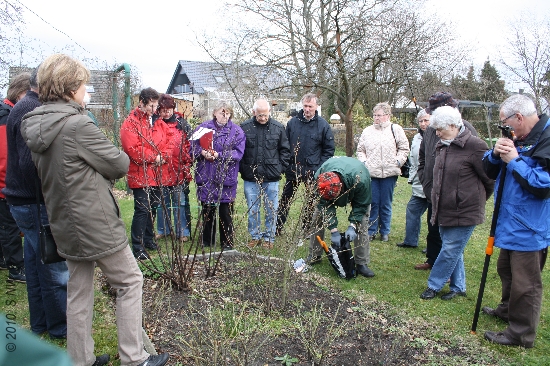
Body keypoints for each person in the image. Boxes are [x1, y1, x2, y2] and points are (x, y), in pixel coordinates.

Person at [21, 54, 169, 366]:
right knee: (130, 282)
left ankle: (81, 359)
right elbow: (118, 164)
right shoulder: (75, 126)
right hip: (94, 221)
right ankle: (134, 357)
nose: (87, 90)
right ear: (69, 88)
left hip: (64, 221)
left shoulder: (35, 125)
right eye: (84, 85)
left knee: (78, 290)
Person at [3, 66, 69, 340]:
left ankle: (42, 323)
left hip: (23, 201)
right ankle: (61, 328)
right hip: (35, 202)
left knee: (35, 265)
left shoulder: (24, 106)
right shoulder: (32, 111)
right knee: (55, 268)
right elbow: (30, 164)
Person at [482, 94, 549, 348]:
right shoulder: (518, 137)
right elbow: (489, 170)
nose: (506, 130)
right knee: (506, 270)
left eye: (506, 124)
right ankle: (508, 311)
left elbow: (543, 186)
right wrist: (495, 154)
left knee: (526, 284)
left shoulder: (547, 139)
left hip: (530, 226)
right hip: (509, 221)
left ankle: (520, 335)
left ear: (519, 118)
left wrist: (515, 161)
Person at [419, 106, 494, 300]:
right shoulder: (442, 144)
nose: (436, 133)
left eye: (440, 129)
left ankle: (434, 285)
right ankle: (459, 286)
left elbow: (489, 179)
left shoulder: (476, 146)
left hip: (466, 210)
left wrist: (472, 201)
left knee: (451, 248)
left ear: (453, 126)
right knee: (453, 248)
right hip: (443, 207)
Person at [415, 92, 478, 270]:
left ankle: (450, 270)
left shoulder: (465, 129)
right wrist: (425, 180)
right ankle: (432, 260)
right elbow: (423, 157)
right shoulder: (429, 131)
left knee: (451, 236)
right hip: (432, 190)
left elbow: (479, 166)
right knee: (433, 229)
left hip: (453, 194)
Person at [276, 93, 335, 236]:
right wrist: (286, 164)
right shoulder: (292, 123)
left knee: (311, 201)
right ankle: (277, 227)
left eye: (310, 106)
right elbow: (284, 145)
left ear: (316, 107)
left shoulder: (323, 125)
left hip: (313, 170)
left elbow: (329, 150)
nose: (307, 109)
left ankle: (306, 229)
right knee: (285, 199)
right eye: (305, 106)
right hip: (293, 168)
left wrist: (319, 168)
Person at [306, 156, 375, 277]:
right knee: (317, 219)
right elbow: (324, 205)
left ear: (341, 186)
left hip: (358, 187)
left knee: (362, 223)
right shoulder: (320, 180)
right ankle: (314, 255)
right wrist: (334, 231)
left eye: (334, 197)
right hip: (330, 184)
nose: (333, 200)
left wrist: (352, 225)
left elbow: (362, 205)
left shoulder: (361, 180)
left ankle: (361, 263)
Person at [121, 87, 168, 260]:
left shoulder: (153, 120)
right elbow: (132, 149)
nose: (154, 110)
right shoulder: (131, 123)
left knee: (153, 207)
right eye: (151, 106)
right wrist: (154, 157)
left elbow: (163, 140)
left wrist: (162, 155)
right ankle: (138, 246)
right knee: (142, 209)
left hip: (155, 172)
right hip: (139, 172)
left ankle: (148, 239)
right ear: (142, 103)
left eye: (156, 106)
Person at [190, 102, 245, 250]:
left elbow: (238, 153)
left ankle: (227, 243)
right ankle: (208, 240)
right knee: (208, 210)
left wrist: (219, 155)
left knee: (225, 212)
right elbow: (192, 147)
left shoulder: (237, 131)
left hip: (226, 177)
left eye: (227, 113)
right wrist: (202, 152)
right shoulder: (203, 128)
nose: (224, 116)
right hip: (206, 174)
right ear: (214, 112)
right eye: (222, 112)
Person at [240, 99, 290, 249]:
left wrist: (280, 168)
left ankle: (269, 237)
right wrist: (244, 169)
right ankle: (255, 236)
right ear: (254, 112)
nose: (262, 118)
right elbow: (240, 151)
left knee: (271, 209)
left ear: (269, 112)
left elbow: (285, 151)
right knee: (253, 209)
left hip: (272, 176)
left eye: (265, 115)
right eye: (259, 115)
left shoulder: (278, 127)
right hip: (251, 176)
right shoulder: (245, 128)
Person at [356, 102, 409, 242]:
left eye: (379, 115)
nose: (376, 118)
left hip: (389, 173)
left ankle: (385, 231)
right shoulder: (367, 131)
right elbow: (360, 150)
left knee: (386, 203)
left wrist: (398, 161)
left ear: (387, 115)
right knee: (373, 202)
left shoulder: (395, 129)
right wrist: (364, 163)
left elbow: (404, 148)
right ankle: (371, 230)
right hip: (371, 172)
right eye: (374, 115)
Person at [0, 72, 29, 283]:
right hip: (4, 184)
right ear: (20, 93)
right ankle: (15, 267)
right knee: (10, 228)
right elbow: (4, 156)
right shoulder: (6, 116)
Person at [153, 94, 192, 243]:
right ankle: (163, 230)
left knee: (180, 202)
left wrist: (187, 162)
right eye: (163, 110)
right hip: (160, 169)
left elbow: (190, 145)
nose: (166, 112)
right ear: (159, 110)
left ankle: (182, 231)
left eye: (169, 109)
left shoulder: (182, 124)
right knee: (162, 203)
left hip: (178, 170)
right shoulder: (155, 124)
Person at [396, 109, 430, 249]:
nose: (423, 124)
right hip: (418, 182)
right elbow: (414, 161)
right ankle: (410, 241)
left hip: (432, 183)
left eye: (426, 120)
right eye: (421, 121)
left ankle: (433, 247)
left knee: (433, 217)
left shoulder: (439, 137)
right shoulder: (416, 138)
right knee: (412, 209)